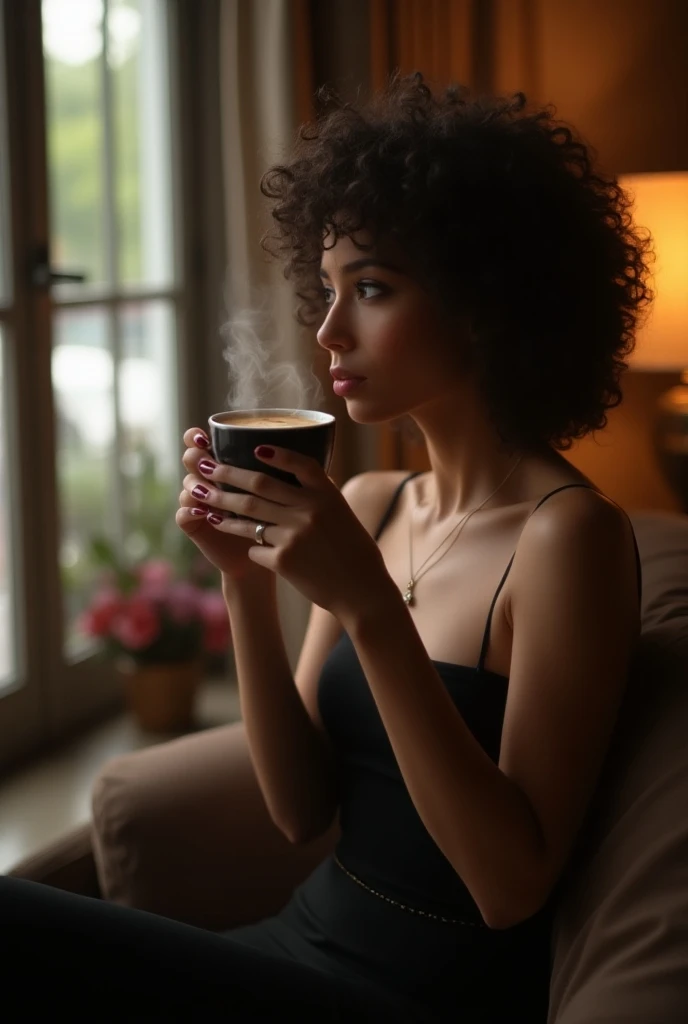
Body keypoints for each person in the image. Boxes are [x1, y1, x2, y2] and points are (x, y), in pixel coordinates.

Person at [0, 72, 650, 1021]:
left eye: (373, 289)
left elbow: (510, 888)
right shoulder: (375, 504)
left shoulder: (570, 537)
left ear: (489, 300)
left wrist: (371, 610)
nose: (328, 328)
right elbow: (301, 812)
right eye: (331, 287)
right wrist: (245, 584)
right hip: (296, 940)